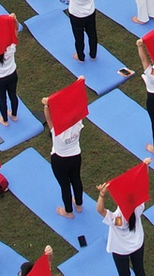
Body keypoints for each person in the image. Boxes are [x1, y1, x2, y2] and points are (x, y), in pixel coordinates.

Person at [43, 89, 85, 218]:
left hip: (60, 160)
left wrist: (46, 105)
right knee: (76, 180)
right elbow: (79, 107)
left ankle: (68, 211)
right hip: (75, 157)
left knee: (65, 186)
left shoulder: (57, 130)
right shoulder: (78, 124)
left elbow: (48, 118)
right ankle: (78, 205)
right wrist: (80, 88)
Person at [98, 175, 147, 276]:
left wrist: (102, 195)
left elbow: (100, 210)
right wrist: (145, 167)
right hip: (137, 244)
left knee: (124, 274)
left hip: (120, 250)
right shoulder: (138, 208)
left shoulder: (118, 219)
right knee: (139, 270)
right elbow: (142, 188)